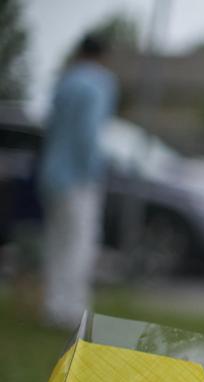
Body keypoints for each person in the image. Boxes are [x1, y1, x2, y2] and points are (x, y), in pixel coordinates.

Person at [37, 33, 117, 329]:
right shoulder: (100, 82)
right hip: (79, 177)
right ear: (103, 55)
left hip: (51, 173)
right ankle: (74, 311)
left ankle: (53, 306)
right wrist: (94, 170)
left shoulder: (64, 81)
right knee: (80, 243)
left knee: (56, 243)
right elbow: (89, 133)